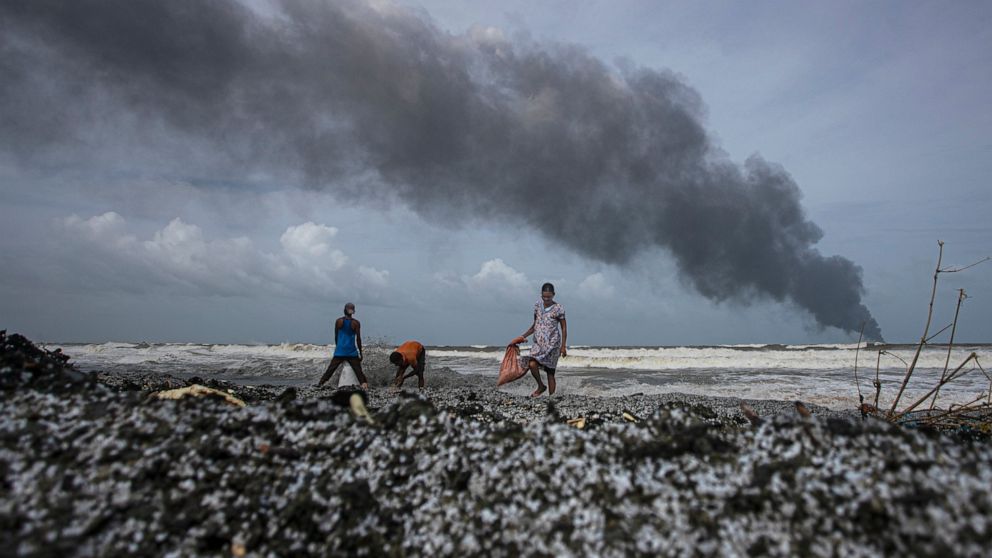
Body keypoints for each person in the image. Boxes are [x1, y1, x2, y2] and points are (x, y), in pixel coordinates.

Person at [516, 282, 567, 397]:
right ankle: (541, 386)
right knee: (532, 363)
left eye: (549, 296)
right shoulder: (537, 306)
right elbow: (535, 325)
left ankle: (552, 397)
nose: (546, 298)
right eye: (544, 296)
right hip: (538, 344)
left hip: (553, 344)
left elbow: (564, 328)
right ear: (541, 295)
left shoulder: (559, 308)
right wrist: (523, 336)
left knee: (550, 372)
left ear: (553, 294)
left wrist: (563, 346)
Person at [317, 302, 368, 390]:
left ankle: (320, 384)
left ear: (344, 310)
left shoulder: (338, 321)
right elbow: (358, 339)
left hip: (340, 351)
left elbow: (336, 336)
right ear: (353, 311)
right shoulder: (356, 323)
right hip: (351, 351)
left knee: (330, 369)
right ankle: (364, 385)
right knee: (358, 371)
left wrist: (338, 347)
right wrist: (360, 352)